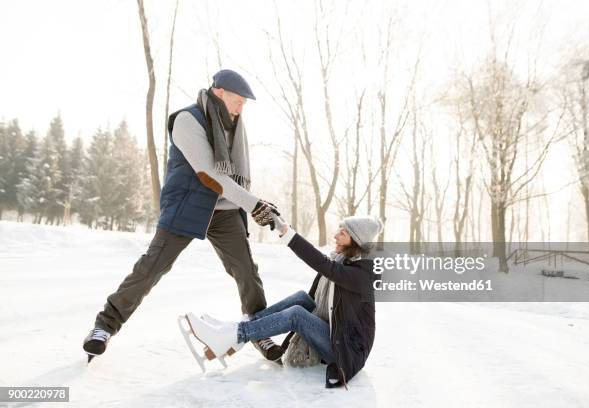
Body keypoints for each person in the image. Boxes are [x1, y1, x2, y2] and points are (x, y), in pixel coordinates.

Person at [83, 69, 284, 362]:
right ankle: (104, 325)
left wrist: (257, 207)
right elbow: (210, 175)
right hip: (189, 203)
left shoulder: (234, 125)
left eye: (244, 103)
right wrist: (254, 205)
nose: (241, 108)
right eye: (238, 100)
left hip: (225, 210)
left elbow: (236, 177)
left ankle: (259, 330)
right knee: (151, 268)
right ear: (219, 93)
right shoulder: (186, 120)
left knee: (246, 272)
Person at [184, 214, 383, 388]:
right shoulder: (344, 262)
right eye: (339, 229)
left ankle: (234, 334)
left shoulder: (362, 274)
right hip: (334, 333)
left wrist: (289, 235)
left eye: (343, 232)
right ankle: (236, 330)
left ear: (356, 241)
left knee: (297, 313)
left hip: (344, 350)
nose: (335, 235)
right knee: (302, 299)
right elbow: (320, 283)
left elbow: (323, 265)